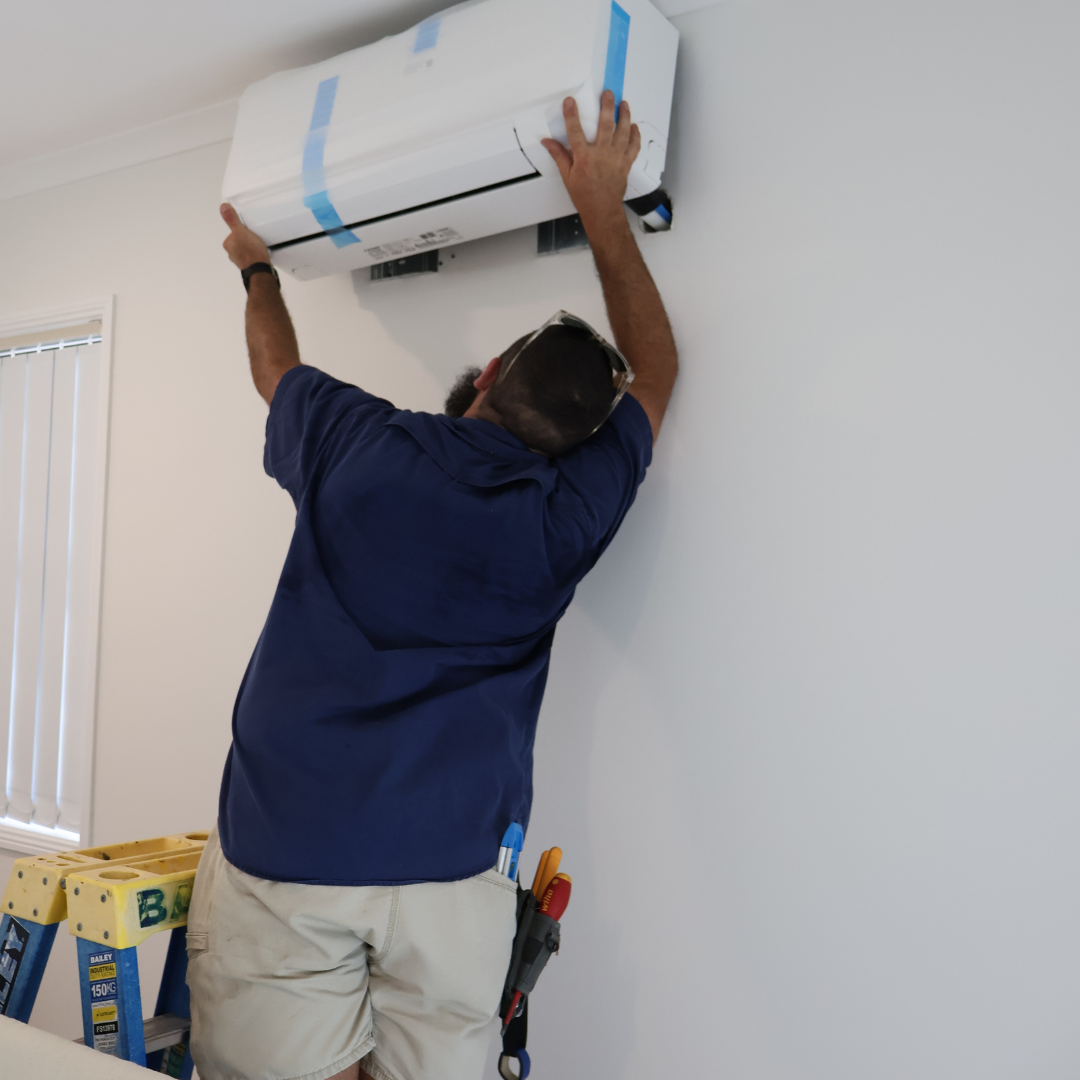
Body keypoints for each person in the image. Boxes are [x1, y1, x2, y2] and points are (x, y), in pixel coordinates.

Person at [186, 90, 678, 1080]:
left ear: (488, 370)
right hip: (452, 872)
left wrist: (257, 274)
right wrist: (602, 207)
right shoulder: (566, 514)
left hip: (290, 845)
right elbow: (660, 371)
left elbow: (275, 367)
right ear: (584, 448)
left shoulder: (358, 440)